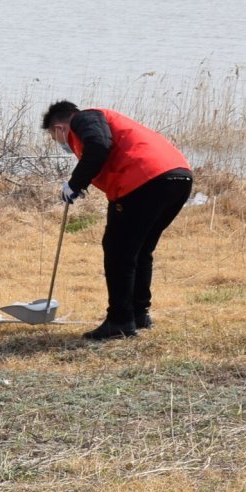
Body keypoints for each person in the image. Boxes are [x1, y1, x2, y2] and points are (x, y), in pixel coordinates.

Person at [41, 100, 193, 341]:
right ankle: (138, 314)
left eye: (53, 137)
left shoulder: (84, 118)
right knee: (140, 249)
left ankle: (120, 321)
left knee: (118, 250)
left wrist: (74, 184)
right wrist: (81, 183)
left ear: (59, 128)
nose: (59, 143)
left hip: (145, 180)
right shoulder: (107, 121)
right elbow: (104, 151)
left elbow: (98, 146)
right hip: (178, 177)